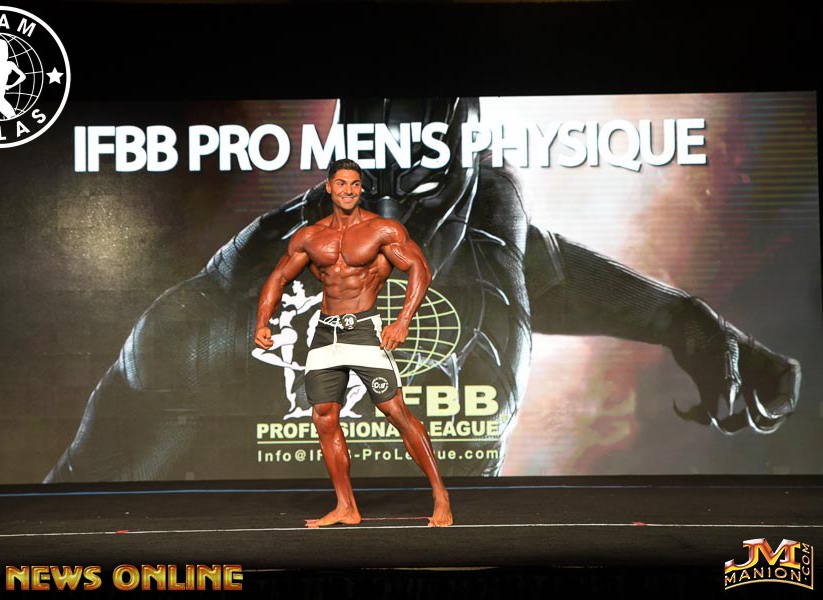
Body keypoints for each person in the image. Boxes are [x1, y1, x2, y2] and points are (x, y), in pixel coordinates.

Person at [45, 97, 800, 484]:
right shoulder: (221, 312)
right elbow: (78, 509)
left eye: (423, 187)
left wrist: (684, 321)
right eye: (365, 188)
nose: (388, 222)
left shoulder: (492, 228)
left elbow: (548, 274)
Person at [254, 159, 453, 527]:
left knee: (395, 411)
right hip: (324, 333)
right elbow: (279, 277)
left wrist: (403, 321)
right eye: (342, 183)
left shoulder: (382, 230)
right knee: (324, 416)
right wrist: (262, 322)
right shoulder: (310, 236)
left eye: (355, 184)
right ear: (329, 187)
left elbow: (419, 269)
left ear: (362, 189)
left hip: (363, 329)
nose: (348, 190)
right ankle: (346, 506)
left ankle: (441, 496)